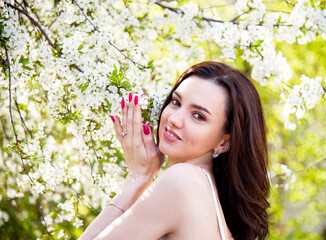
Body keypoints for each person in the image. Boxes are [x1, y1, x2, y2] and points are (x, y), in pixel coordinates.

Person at [79, 61, 270, 240]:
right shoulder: (205, 195)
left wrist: (137, 178)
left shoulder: (183, 180)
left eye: (198, 116)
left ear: (224, 142)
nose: (174, 119)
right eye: (176, 102)